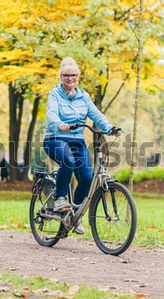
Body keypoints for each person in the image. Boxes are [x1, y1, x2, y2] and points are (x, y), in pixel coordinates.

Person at [43, 57, 120, 234]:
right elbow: (51, 114)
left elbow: (96, 115)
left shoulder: (84, 96)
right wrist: (59, 124)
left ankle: (74, 215)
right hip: (56, 138)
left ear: (78, 77)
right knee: (68, 160)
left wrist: (110, 128)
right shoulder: (54, 94)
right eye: (66, 75)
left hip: (77, 141)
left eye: (74, 75)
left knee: (87, 178)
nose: (70, 78)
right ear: (61, 76)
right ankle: (60, 198)